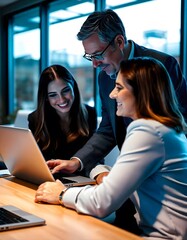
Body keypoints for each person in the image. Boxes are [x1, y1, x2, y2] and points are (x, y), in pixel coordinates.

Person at [41, 10, 187, 233]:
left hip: (162, 196)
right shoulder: (104, 77)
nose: (95, 64)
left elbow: (178, 120)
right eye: (89, 57)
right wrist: (79, 162)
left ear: (119, 41)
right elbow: (108, 128)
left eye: (97, 55)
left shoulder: (160, 70)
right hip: (135, 194)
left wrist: (60, 194)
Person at [28, 64, 98, 175]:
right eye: (53, 95)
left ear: (73, 87)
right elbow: (36, 162)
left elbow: (94, 157)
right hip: (49, 179)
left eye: (65, 91)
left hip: (81, 180)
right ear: (46, 97)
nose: (61, 99)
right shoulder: (35, 119)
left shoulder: (89, 113)